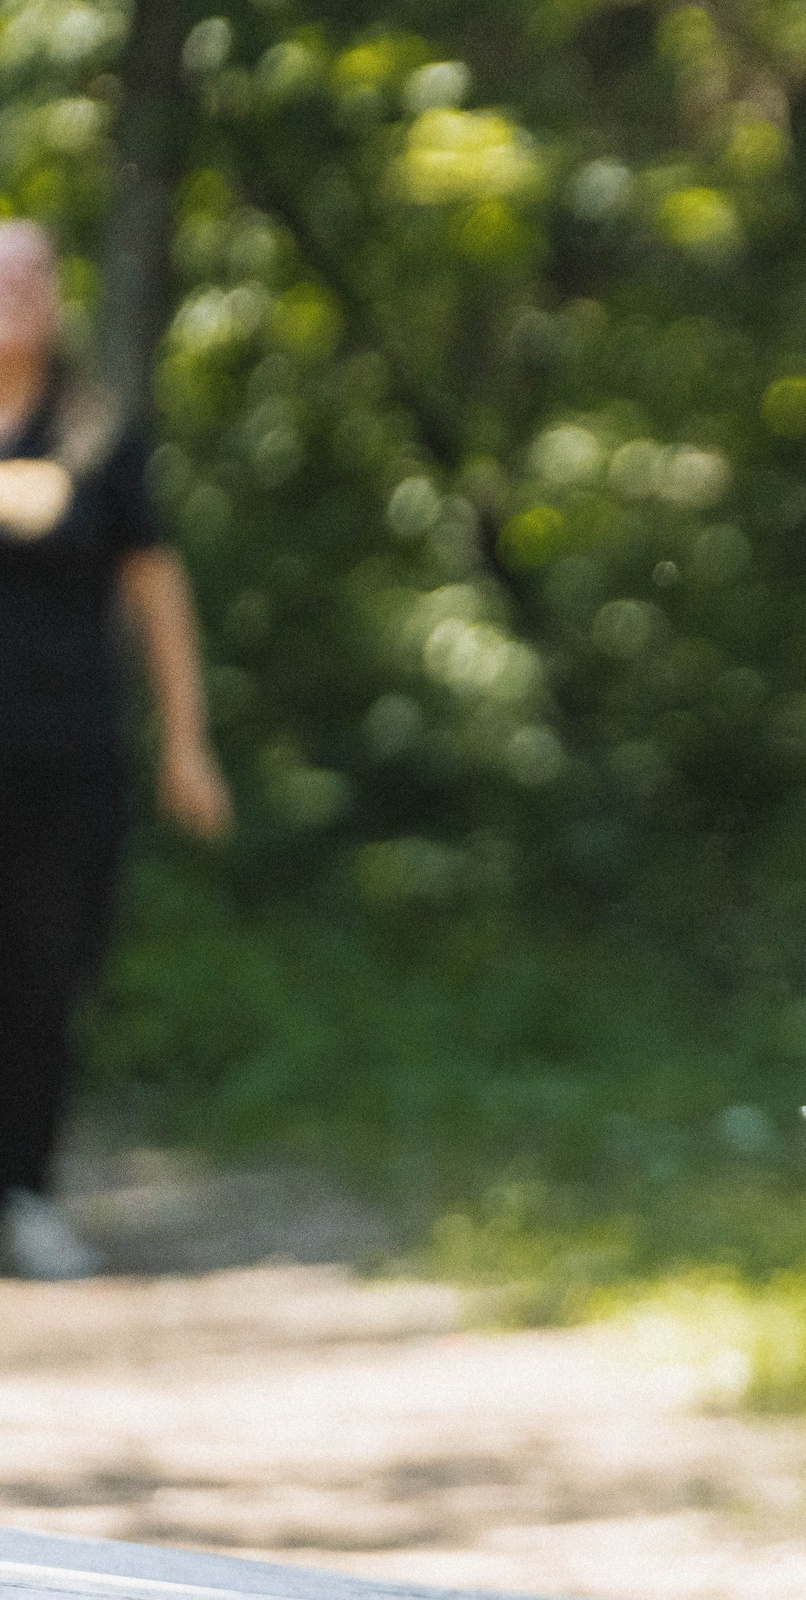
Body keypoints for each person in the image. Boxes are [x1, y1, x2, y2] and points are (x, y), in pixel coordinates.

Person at [0, 221, 230, 1279]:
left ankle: (28, 1190)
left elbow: (157, 593)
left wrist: (186, 743)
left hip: (64, 757)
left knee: (48, 971)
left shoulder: (98, 435)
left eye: (33, 277)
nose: (16, 294)